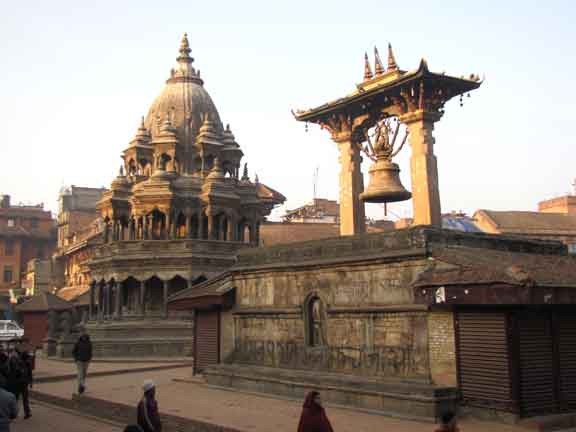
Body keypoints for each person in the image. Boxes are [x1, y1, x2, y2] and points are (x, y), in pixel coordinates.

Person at [15, 340, 32, 419]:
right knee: (24, 398)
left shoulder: (21, 360)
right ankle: (27, 412)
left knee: (17, 398)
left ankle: (15, 412)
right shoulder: (25, 360)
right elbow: (29, 373)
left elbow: (29, 372)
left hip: (20, 382)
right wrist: (30, 382)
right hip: (23, 381)